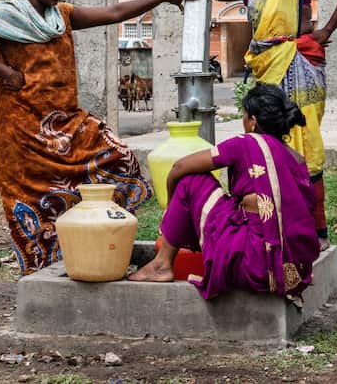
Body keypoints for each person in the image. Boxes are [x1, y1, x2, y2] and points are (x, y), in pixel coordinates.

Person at [0, 0, 197, 274]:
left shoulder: (63, 16)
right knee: (33, 198)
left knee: (119, 158)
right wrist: (8, 74)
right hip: (21, 128)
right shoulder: (8, 14)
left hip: (67, 122)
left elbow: (114, 12)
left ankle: (88, 237)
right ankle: (50, 266)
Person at [199, 0, 337, 238]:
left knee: (305, 138)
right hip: (267, 64)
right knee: (270, 139)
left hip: (300, 61)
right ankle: (274, 221)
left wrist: (327, 30)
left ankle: (316, 229)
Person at [128, 83, 321, 299]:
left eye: (244, 115)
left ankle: (161, 264)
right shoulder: (297, 159)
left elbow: (179, 167)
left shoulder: (246, 143)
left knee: (190, 181)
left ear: (253, 121)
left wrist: (172, 205)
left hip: (253, 265)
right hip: (293, 271)